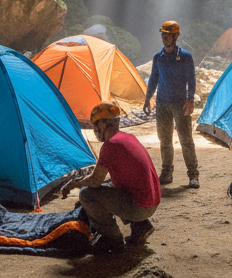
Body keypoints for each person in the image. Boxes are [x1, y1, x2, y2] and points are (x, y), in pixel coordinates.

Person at [62, 101, 161, 253]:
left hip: (140, 207)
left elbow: (95, 181)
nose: (95, 129)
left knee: (87, 195)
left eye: (95, 124)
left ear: (103, 124)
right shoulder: (128, 138)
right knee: (110, 185)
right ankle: (141, 226)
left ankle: (111, 239)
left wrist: (74, 184)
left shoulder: (110, 146)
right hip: (151, 201)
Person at [143, 20, 199, 188]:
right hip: (162, 103)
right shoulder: (158, 57)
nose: (164, 38)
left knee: (186, 139)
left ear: (176, 36)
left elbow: (191, 79)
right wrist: (148, 98)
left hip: (180, 103)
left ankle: (193, 175)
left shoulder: (185, 56)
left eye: (167, 35)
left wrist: (190, 99)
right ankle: (167, 173)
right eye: (163, 34)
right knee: (165, 140)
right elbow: (154, 77)